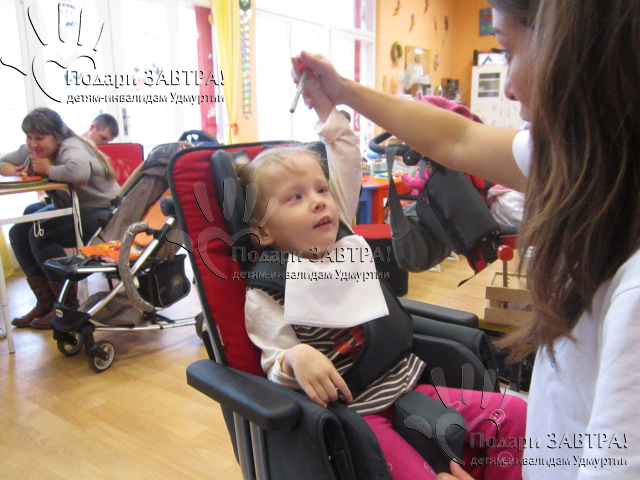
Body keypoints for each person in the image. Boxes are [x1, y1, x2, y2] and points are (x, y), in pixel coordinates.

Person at [297, 0, 640, 478]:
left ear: (576, 55)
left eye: (508, 50)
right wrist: (341, 91)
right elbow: (456, 140)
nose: (509, 85)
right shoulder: (589, 161)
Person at [239, 61, 527, 480]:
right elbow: (274, 355)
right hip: (357, 414)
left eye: (321, 190)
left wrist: (324, 107)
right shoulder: (267, 289)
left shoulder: (343, 238)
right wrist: (296, 356)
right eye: (295, 197)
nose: (318, 201)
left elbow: (344, 154)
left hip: (408, 383)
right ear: (263, 230)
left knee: (516, 414)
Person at [0, 108, 120, 329]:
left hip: (105, 213)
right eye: (29, 137)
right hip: (73, 208)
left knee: (40, 232)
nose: (33, 144)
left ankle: (66, 305)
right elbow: (1, 161)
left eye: (39, 138)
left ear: (56, 136)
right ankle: (45, 301)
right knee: (18, 231)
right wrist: (13, 170)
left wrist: (48, 169)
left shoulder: (71, 147)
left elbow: (79, 173)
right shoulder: (35, 149)